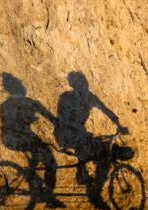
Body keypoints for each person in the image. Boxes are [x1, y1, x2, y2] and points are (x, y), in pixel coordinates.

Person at [54, 71, 128, 210]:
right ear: (72, 84)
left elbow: (105, 109)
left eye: (84, 82)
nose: (83, 85)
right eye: (79, 82)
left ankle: (84, 176)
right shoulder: (66, 97)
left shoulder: (89, 97)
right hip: (64, 133)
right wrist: (78, 128)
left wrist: (118, 125)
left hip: (80, 133)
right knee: (93, 146)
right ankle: (93, 191)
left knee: (100, 148)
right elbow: (61, 119)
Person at [0, 72, 65, 208]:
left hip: (8, 139)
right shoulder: (30, 102)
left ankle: (34, 179)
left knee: (38, 153)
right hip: (22, 137)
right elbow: (51, 118)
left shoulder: (5, 104)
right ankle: (47, 195)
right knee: (50, 161)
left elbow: (7, 122)